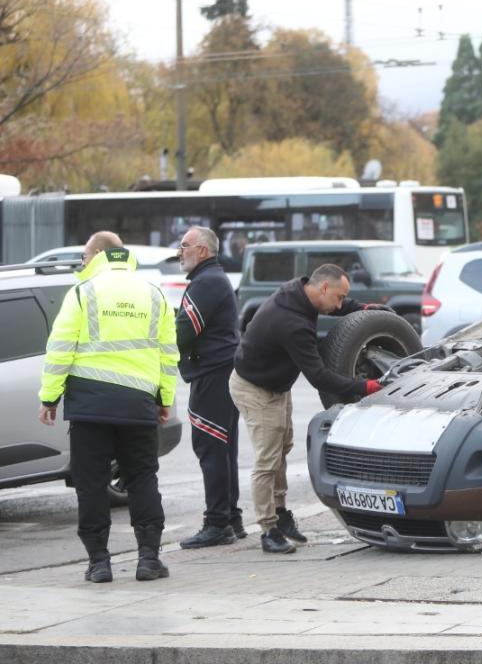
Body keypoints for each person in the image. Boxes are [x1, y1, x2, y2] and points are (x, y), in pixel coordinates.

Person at [38, 232, 178, 583]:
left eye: (85, 255)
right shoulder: (154, 293)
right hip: (138, 405)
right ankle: (148, 559)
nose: (82, 262)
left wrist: (49, 397)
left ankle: (99, 563)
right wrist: (164, 399)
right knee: (143, 478)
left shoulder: (82, 294)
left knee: (91, 484)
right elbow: (168, 354)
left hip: (89, 407)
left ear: (100, 253)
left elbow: (60, 349)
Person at [229, 264, 384, 555]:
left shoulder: (302, 290)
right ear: (323, 288)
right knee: (267, 460)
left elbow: (336, 307)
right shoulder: (292, 322)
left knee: (282, 446)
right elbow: (319, 376)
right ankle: (268, 529)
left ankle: (281, 512)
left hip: (275, 383)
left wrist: (362, 308)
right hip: (255, 388)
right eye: (339, 297)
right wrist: (365, 387)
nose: (340, 304)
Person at [175, 226, 245, 549]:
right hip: (223, 372)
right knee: (223, 447)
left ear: (203, 250)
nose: (180, 251)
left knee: (211, 446)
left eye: (185, 245)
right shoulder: (214, 279)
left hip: (214, 374)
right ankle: (230, 518)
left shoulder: (207, 282)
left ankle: (217, 523)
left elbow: (184, 331)